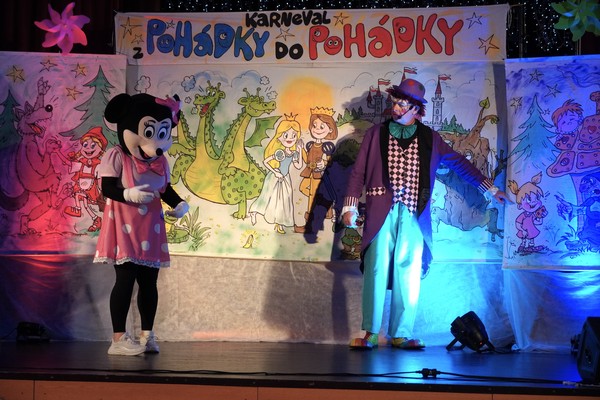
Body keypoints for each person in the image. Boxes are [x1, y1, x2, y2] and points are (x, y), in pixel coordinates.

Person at [341, 78, 512, 350]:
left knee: (408, 269)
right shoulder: (376, 134)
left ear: (416, 109)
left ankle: (401, 333)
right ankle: (370, 333)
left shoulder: (430, 138)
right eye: (395, 102)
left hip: (414, 212)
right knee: (376, 268)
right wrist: (350, 206)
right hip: (381, 210)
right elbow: (358, 171)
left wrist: (491, 189)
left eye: (402, 104)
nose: (396, 108)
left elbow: (459, 164)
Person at [94, 93, 189, 356]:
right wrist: (127, 193)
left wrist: (180, 204)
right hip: (124, 225)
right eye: (149, 132)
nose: (155, 145)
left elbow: (165, 190)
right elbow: (107, 188)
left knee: (149, 282)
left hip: (151, 227)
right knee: (125, 279)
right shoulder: (117, 156)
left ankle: (147, 335)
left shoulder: (160, 162)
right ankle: (118, 339)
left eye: (162, 133)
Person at [249, 114, 304, 233]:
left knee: (284, 202)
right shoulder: (280, 152)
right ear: (279, 137)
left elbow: (299, 166)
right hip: (274, 177)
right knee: (266, 197)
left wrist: (299, 151)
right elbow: (266, 162)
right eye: (286, 135)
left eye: (294, 135)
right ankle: (253, 212)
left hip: (285, 179)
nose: (290, 138)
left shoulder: (293, 153)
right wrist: (275, 172)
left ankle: (279, 224)